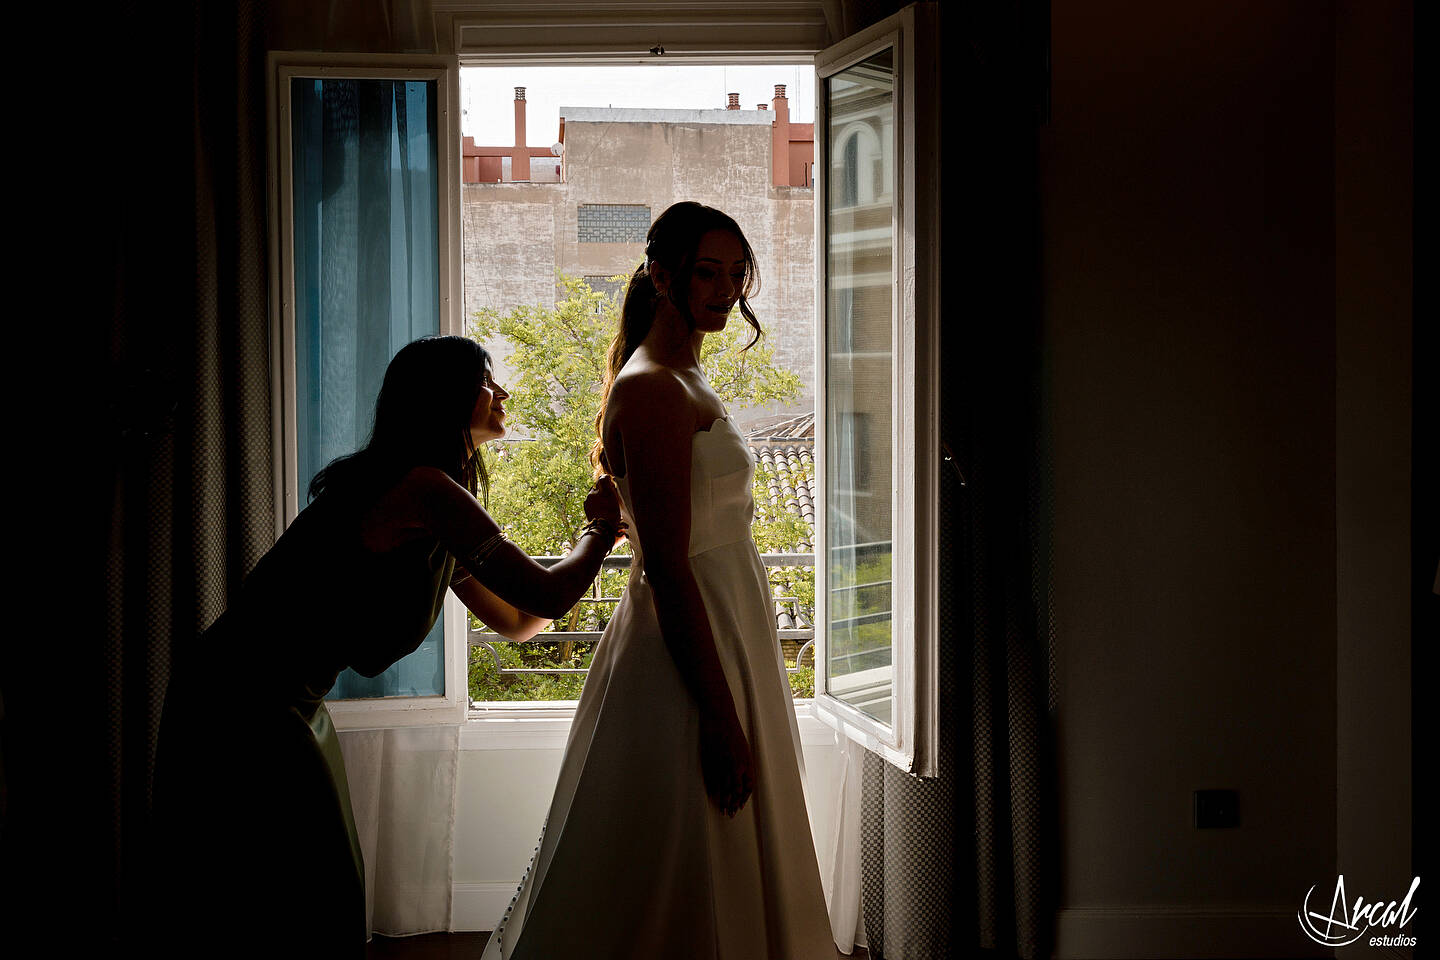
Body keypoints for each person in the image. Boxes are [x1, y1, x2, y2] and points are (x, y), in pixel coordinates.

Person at [149, 335, 624, 957]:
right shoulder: (423, 490)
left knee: (307, 892)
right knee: (300, 895)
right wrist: (600, 531)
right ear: (446, 401)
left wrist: (591, 551)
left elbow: (517, 618)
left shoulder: (431, 506)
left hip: (287, 700)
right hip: (241, 701)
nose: (502, 392)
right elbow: (544, 591)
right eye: (487, 380)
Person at [480, 202, 833, 959]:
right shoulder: (650, 388)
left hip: (728, 619)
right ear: (662, 274)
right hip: (688, 638)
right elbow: (670, 565)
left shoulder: (684, 375)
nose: (726, 289)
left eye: (737, 274)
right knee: (681, 854)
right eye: (709, 271)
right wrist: (718, 713)